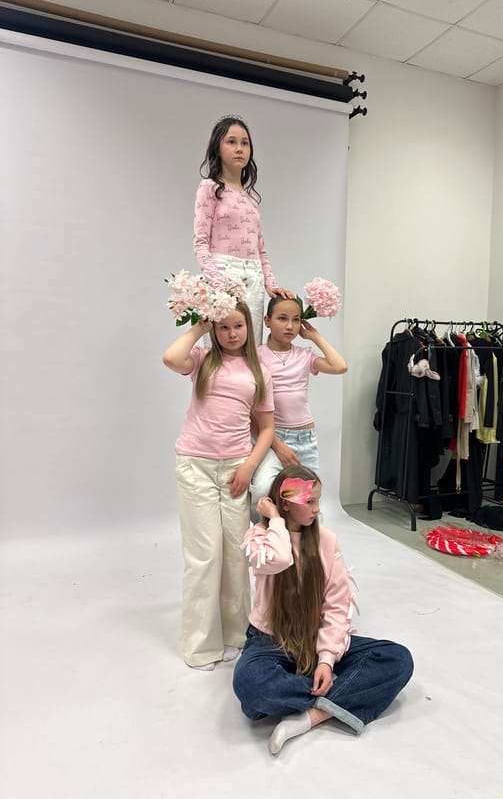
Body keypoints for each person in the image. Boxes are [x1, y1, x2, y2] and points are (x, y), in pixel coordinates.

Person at [233, 465, 414, 755]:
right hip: (269, 641)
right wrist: (276, 520)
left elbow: (337, 604)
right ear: (287, 504)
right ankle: (346, 692)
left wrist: (327, 661)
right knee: (251, 684)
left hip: (314, 639)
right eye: (310, 501)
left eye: (318, 500)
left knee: (398, 659)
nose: (318, 508)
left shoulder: (326, 541)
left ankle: (311, 716)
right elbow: (280, 559)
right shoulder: (261, 539)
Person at [162, 301, 275, 671]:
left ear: (249, 327)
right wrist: (199, 324)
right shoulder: (201, 360)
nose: (231, 333)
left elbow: (266, 428)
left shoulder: (258, 371)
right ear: (214, 328)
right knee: (205, 555)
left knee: (234, 554)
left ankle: (234, 636)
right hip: (196, 466)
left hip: (235, 471)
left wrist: (248, 467)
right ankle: (200, 646)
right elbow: (169, 357)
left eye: (238, 326)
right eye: (223, 327)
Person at [193, 115, 294, 343]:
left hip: (254, 278)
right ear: (217, 148)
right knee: (219, 352)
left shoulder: (252, 200)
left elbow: (261, 250)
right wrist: (220, 287)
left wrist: (272, 285)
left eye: (245, 143)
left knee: (251, 350)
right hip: (222, 275)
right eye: (231, 142)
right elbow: (200, 243)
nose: (239, 149)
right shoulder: (209, 188)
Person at [250, 296, 348, 499]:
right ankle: (266, 528)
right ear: (267, 321)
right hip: (272, 437)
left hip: (305, 439)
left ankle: (295, 530)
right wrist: (276, 444)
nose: (290, 326)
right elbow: (248, 410)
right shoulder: (256, 356)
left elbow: (340, 367)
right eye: (282, 318)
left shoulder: (304, 355)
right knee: (262, 490)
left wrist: (315, 337)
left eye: (296, 319)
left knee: (304, 497)